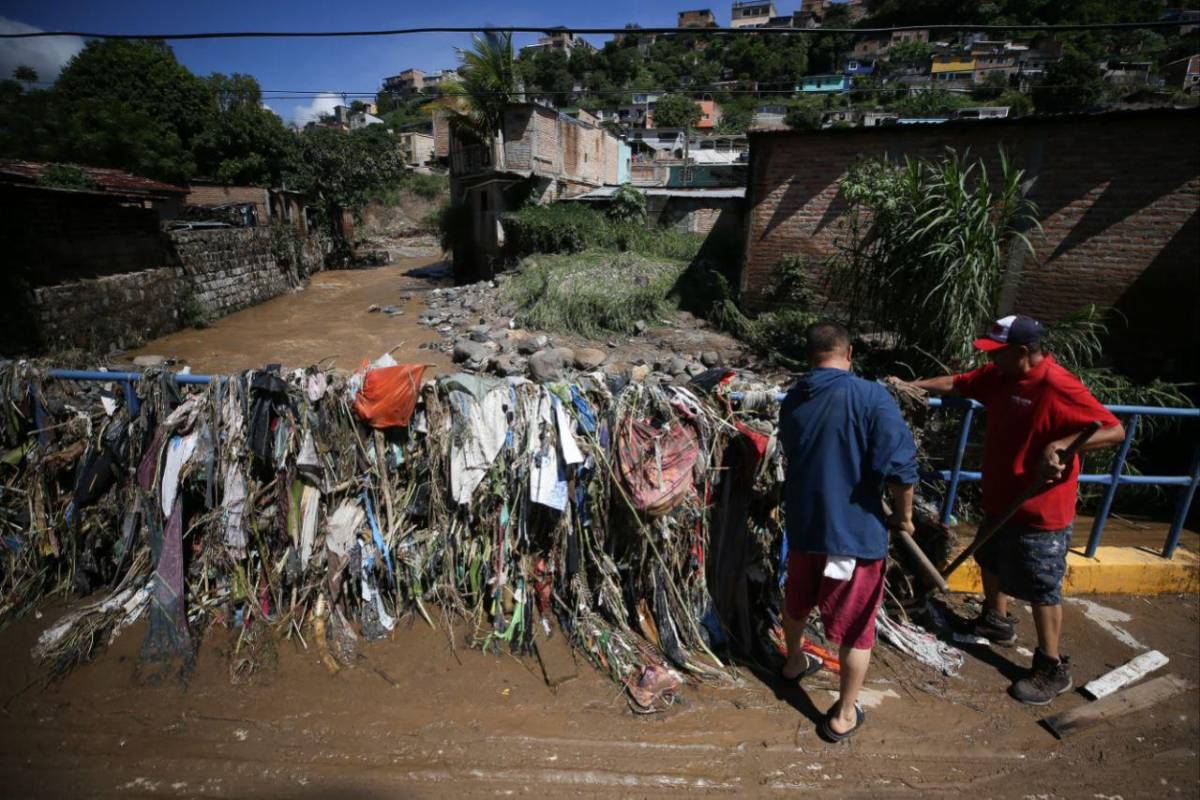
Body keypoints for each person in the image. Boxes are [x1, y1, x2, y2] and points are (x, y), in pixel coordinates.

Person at [907, 314, 1124, 706]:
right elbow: (958, 382)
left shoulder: (1057, 385)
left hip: (1039, 506)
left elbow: (1113, 429)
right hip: (999, 496)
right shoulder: (1001, 376)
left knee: (1041, 586)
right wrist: (910, 387)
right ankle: (996, 621)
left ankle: (1051, 666)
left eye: (997, 353)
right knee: (989, 558)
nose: (991, 360)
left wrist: (1060, 445)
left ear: (1023, 352)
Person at [778, 320, 919, 742]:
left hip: (805, 527)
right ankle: (843, 714)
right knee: (857, 627)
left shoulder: (794, 399)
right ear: (850, 353)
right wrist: (904, 516)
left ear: (809, 356)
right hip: (854, 536)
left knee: (797, 600)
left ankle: (792, 662)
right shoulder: (871, 396)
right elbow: (901, 469)